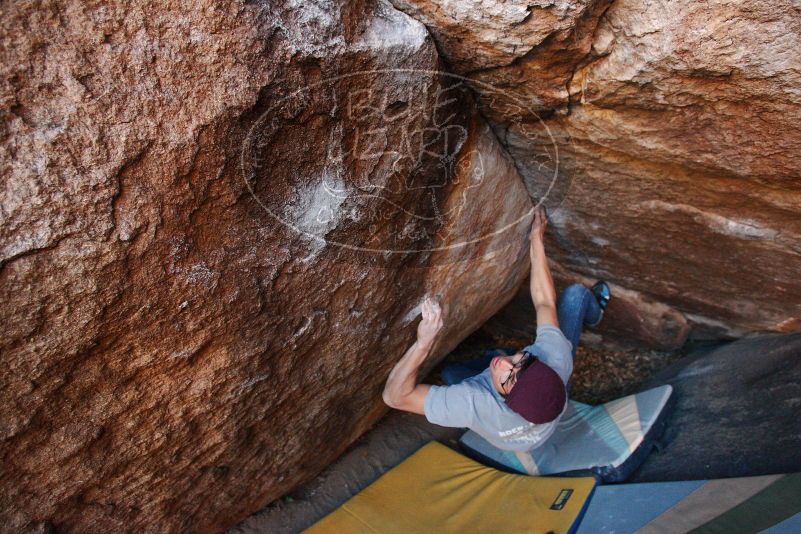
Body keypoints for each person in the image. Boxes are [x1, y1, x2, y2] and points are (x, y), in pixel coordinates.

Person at [382, 205, 611, 452]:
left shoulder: (476, 403)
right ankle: (595, 311)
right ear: (542, 366)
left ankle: (495, 354)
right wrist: (536, 241)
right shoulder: (555, 358)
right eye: (519, 361)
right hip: (546, 401)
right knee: (576, 296)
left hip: (510, 421)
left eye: (508, 378)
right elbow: (544, 301)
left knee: (450, 374)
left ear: (504, 399)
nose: (504, 364)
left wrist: (424, 343)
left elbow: (394, 398)